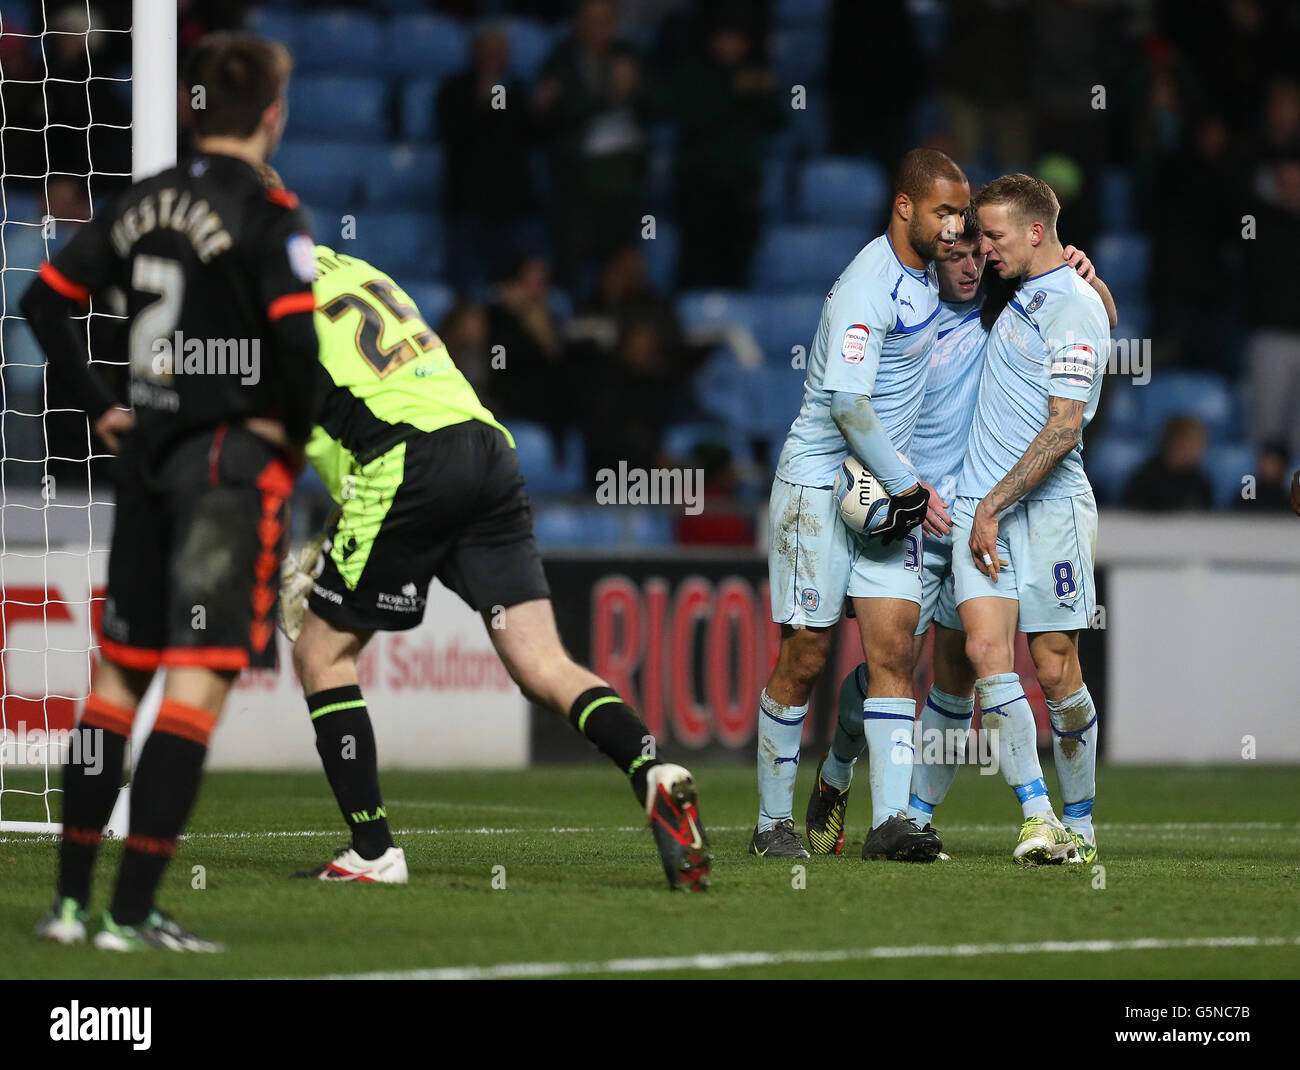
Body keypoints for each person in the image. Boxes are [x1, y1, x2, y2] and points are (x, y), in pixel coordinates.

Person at [279, 244, 711, 892]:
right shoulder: (357, 269)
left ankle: (373, 850)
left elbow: (288, 416)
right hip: (487, 449)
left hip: (407, 461)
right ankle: (650, 770)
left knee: (322, 655)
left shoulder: (261, 288)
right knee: (543, 665)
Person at [25, 31, 319, 950]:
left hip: (145, 462)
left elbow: (42, 301)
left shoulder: (146, 198)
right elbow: (302, 360)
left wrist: (105, 410)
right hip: (228, 473)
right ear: (272, 114)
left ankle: (71, 906)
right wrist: (286, 441)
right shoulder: (271, 217)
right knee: (193, 689)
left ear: (199, 106)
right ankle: (134, 911)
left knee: (116, 680)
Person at [805, 207, 1118, 855]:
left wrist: (1092, 280)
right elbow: (859, 408)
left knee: (959, 673)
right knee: (889, 665)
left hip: (985, 510)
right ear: (931, 260)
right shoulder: (905, 319)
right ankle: (836, 771)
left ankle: (920, 816)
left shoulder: (1003, 308)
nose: (973, 265)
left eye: (982, 253)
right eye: (958, 256)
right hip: (918, 516)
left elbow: (1088, 320)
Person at [751, 147, 968, 862]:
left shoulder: (932, 280)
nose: (954, 226)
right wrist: (908, 484)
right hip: (819, 487)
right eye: (943, 211)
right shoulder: (867, 286)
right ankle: (771, 826)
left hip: (882, 497)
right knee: (808, 656)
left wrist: (1079, 270)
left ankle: (891, 822)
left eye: (961, 214)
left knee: (894, 652)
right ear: (904, 206)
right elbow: (847, 402)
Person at [952, 173, 1111, 866]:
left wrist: (992, 502)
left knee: (1053, 671)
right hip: (984, 509)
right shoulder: (1028, 294)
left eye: (994, 235)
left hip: (1046, 510)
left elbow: (1065, 428)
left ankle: (1082, 823)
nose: (982, 248)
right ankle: (1038, 816)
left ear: (1036, 233)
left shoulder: (1072, 306)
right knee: (987, 655)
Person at [1122, 416, 1214, 512]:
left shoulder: (1201, 482)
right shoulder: (1146, 479)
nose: (1199, 451)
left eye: (1200, 445)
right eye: (1192, 444)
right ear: (1175, 442)